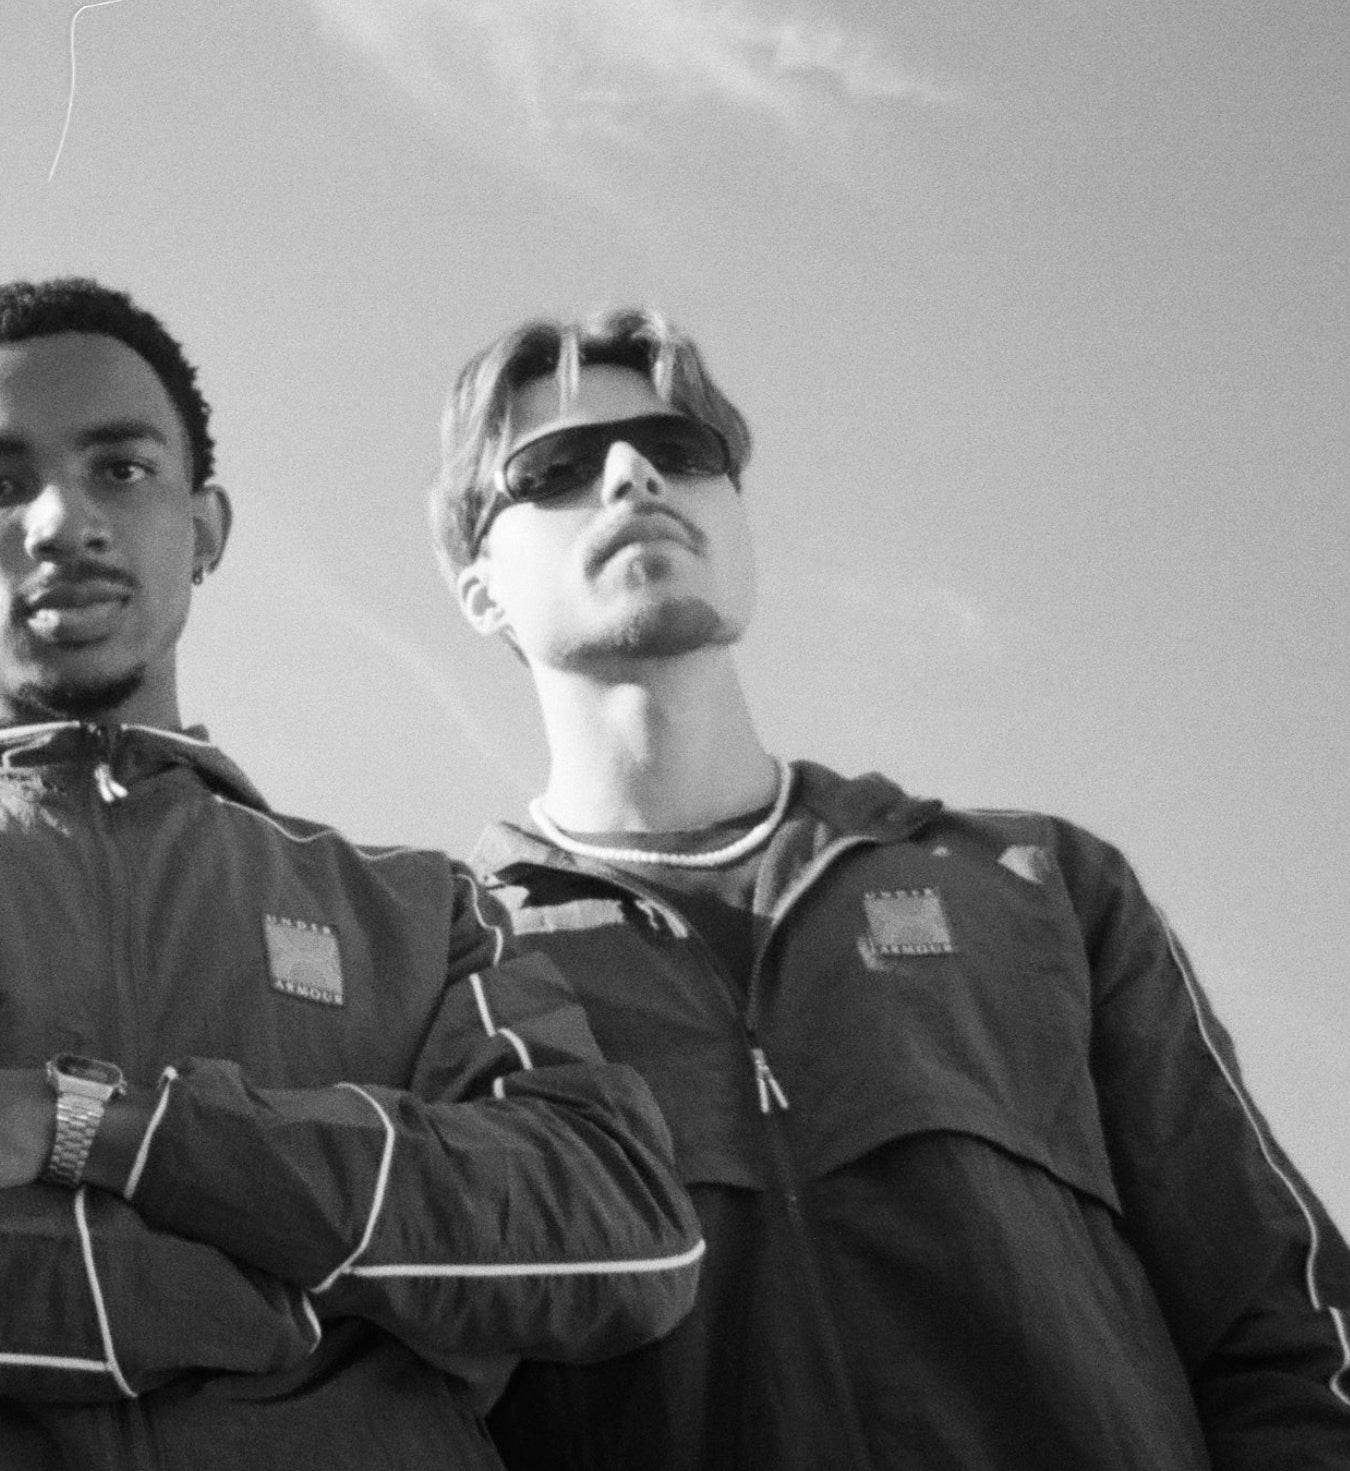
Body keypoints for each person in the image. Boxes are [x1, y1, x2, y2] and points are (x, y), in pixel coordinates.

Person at [0, 278, 705, 1470]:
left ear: (205, 528)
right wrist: (316, 1298)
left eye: (121, 469)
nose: (63, 520)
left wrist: (82, 1127)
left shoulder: (423, 910)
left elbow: (617, 1230)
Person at [427, 308, 1350, 1468]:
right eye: (555, 468)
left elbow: (1284, 1321)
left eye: (679, 449)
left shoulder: (1040, 887)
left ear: (738, 518)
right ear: (480, 589)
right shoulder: (445, 969)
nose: (630, 475)